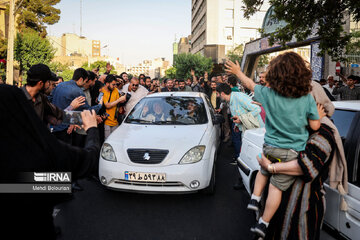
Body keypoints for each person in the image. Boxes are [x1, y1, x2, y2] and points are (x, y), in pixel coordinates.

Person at [225, 52, 322, 238]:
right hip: (292, 153)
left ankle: (255, 198)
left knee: (263, 171)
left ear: (274, 75)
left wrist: (238, 72)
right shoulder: (307, 99)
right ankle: (264, 223)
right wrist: (319, 115)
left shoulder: (268, 94)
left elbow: (250, 84)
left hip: (269, 147)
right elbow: (315, 126)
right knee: (276, 188)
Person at [0, 84, 100, 239]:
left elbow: (57, 117)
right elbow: (88, 160)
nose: (53, 87)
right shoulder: (42, 153)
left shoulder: (43, 101)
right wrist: (92, 129)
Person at [51, 68, 102, 144]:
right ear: (81, 79)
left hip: (54, 125)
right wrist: (100, 104)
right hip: (65, 127)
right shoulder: (77, 91)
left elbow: (51, 99)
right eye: (85, 81)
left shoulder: (60, 85)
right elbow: (88, 111)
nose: (84, 84)